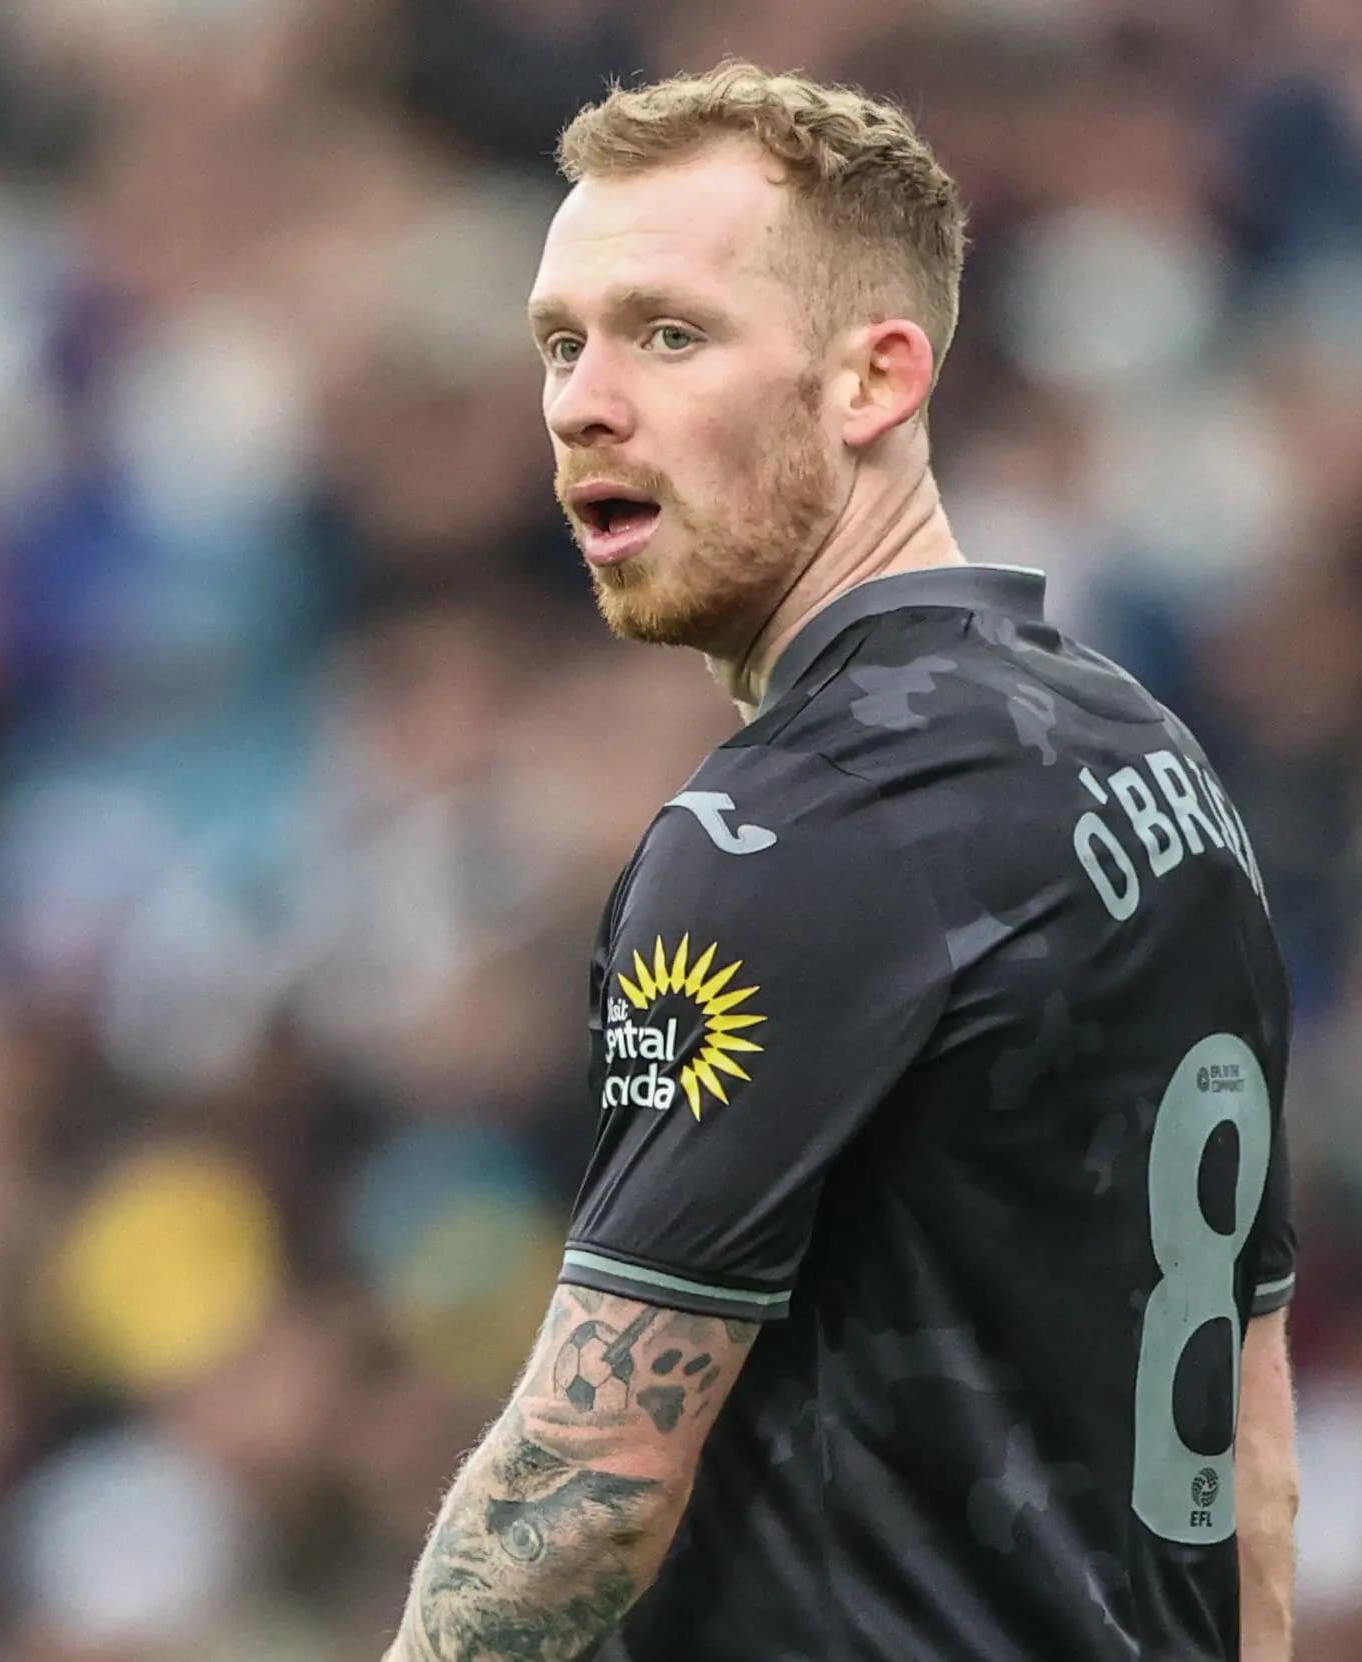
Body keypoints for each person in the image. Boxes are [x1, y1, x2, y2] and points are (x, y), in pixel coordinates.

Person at [384, 61, 1298, 1662]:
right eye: (560, 338)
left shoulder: (797, 824)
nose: (582, 399)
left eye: (670, 332)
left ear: (876, 378)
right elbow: (1254, 1473)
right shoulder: (1155, 763)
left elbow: (587, 1483)